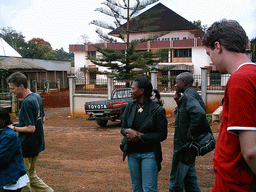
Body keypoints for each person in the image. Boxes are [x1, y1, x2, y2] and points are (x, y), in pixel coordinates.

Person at [203, 19, 256, 191]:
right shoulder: (252, 74)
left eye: (209, 53)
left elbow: (251, 152)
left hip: (235, 184)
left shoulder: (240, 80)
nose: (211, 61)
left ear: (217, 47)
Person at [7, 72, 54, 192]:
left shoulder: (27, 102)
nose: (11, 91)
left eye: (12, 88)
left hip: (26, 146)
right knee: (31, 175)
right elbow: (42, 119)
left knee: (23, 179)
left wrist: (13, 128)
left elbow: (31, 128)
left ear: (21, 86)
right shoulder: (36, 97)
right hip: (37, 144)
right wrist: (19, 124)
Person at [121, 76, 168, 192]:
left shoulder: (157, 110)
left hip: (150, 154)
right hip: (132, 153)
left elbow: (162, 134)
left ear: (141, 91)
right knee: (136, 188)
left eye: (133, 88)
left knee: (149, 189)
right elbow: (123, 128)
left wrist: (141, 137)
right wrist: (128, 131)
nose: (130, 91)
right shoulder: (130, 106)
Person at [169, 72, 212, 192]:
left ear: (185, 83)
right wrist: (178, 101)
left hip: (183, 147)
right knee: (190, 181)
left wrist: (190, 135)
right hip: (188, 147)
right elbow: (191, 113)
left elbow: (199, 113)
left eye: (177, 82)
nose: (175, 85)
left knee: (175, 184)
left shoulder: (188, 96)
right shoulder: (191, 95)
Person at [0, 107, 29, 192]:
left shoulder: (9, 136)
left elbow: (1, 159)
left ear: (3, 120)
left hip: (10, 179)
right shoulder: (3, 132)